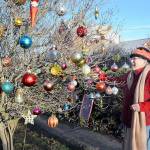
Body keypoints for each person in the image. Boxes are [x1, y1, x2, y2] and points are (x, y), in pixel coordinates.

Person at [109, 46, 150, 150]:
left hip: (145, 122)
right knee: (129, 146)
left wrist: (142, 106)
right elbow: (117, 80)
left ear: (145, 60)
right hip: (129, 119)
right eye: (131, 58)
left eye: (135, 58)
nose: (132, 61)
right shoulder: (130, 75)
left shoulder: (149, 75)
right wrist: (102, 77)